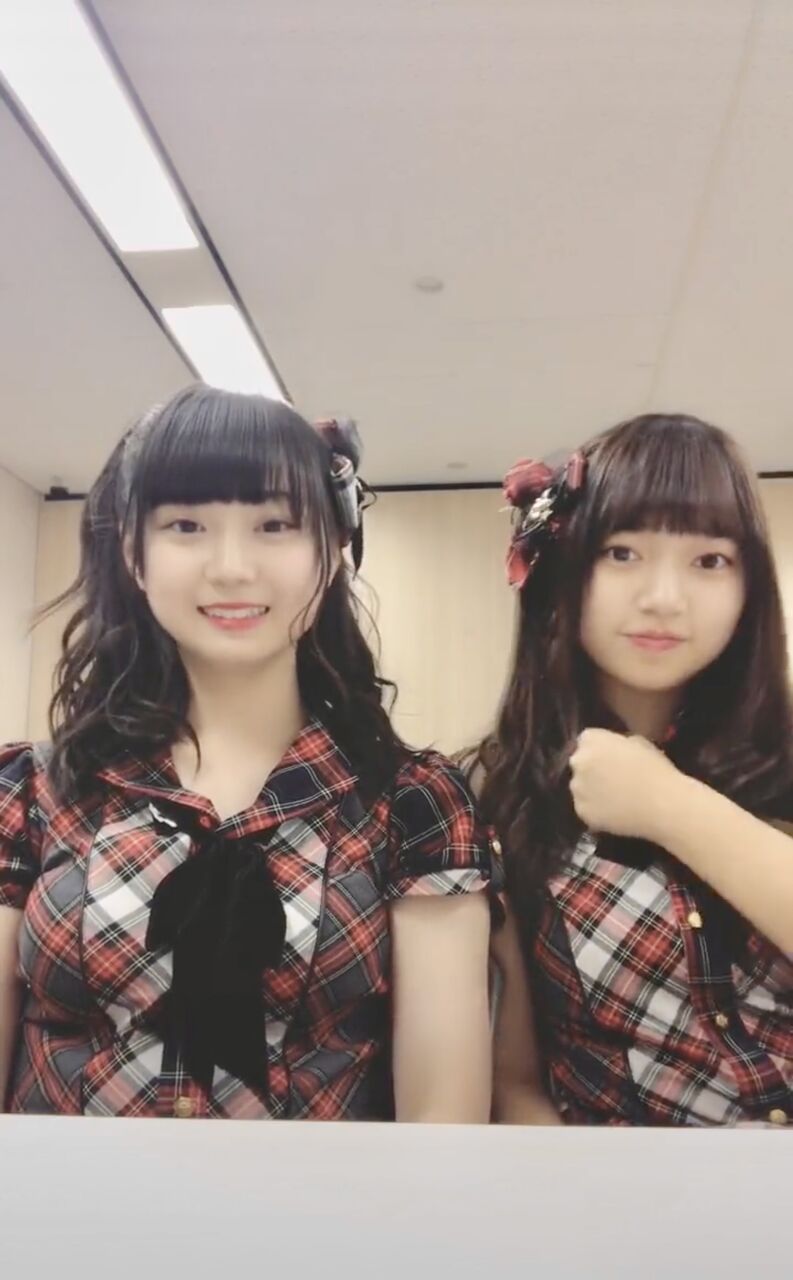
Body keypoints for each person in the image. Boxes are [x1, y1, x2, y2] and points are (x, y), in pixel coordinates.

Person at [0, 385, 497, 1121]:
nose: (232, 567)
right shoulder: (29, 790)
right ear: (133, 554)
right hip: (51, 1197)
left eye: (274, 525)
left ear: (333, 551)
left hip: (321, 1198)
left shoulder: (415, 802)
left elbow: (442, 1118)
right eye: (186, 525)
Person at [480, 413, 793, 1126]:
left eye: (709, 560)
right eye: (622, 553)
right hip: (614, 1186)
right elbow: (516, 1084)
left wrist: (669, 806)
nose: (663, 598)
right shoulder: (495, 793)